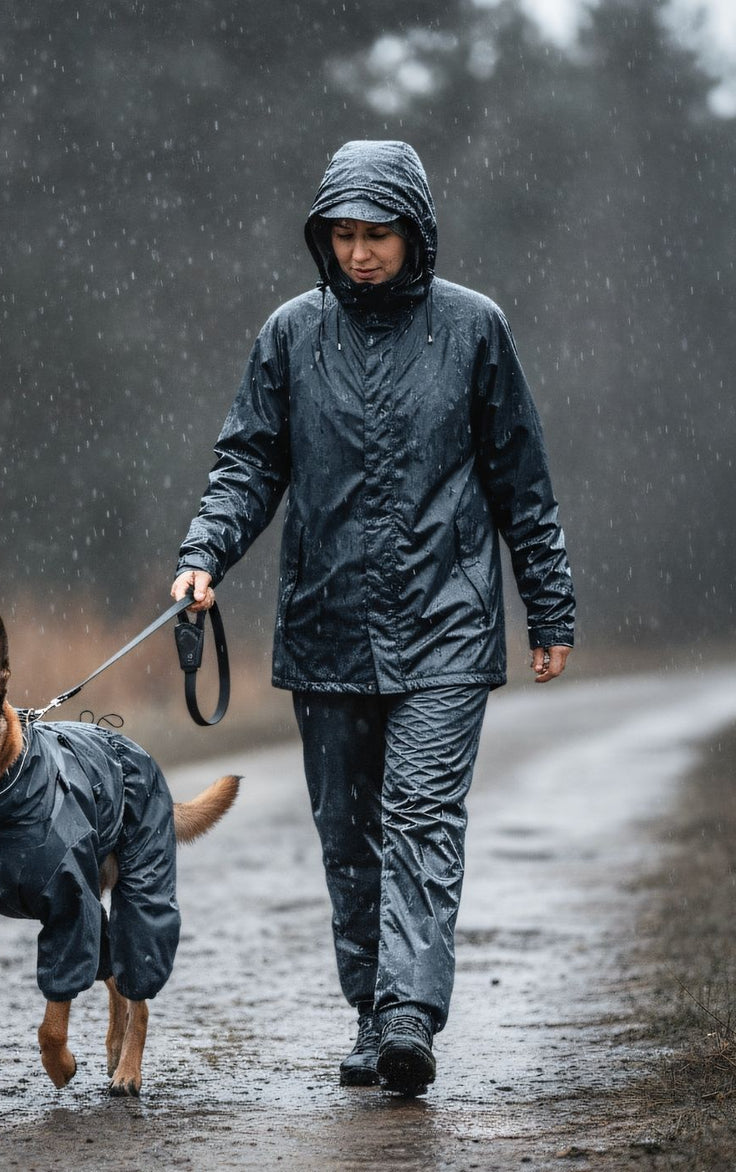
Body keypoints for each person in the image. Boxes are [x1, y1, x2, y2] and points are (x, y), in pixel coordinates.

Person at [171, 140, 575, 1096]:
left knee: (422, 818)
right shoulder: (289, 336)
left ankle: (408, 1017)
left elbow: (523, 481)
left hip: (449, 621)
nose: (360, 254)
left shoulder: (476, 330)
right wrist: (202, 557)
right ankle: (371, 1011)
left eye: (378, 235)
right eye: (344, 236)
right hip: (327, 627)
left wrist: (549, 606)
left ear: (416, 233)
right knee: (348, 833)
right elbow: (249, 464)